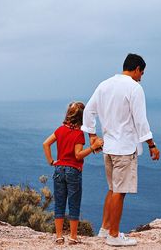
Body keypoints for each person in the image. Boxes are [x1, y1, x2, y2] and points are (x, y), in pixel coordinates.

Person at [81, 53, 160, 246]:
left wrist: (92, 136)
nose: (141, 77)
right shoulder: (134, 88)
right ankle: (114, 235)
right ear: (136, 69)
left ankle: (104, 230)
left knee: (112, 189)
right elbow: (141, 120)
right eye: (142, 72)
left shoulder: (104, 85)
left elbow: (88, 111)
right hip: (124, 148)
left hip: (108, 147)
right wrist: (152, 145)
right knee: (120, 191)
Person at [43, 101, 104, 245]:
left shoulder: (60, 130)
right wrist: (93, 147)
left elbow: (45, 143)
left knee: (59, 203)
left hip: (59, 169)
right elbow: (78, 155)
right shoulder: (78, 134)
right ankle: (73, 237)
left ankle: (58, 236)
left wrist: (52, 161)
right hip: (73, 171)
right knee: (74, 204)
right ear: (82, 118)